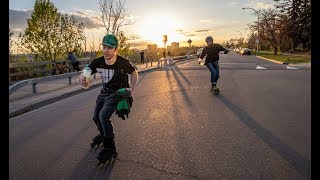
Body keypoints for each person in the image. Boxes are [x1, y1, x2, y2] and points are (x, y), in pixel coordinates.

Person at [79, 34, 138, 162]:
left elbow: (134, 73)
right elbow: (86, 72)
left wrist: (132, 90)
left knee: (103, 116)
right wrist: (82, 79)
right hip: (104, 92)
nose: (106, 50)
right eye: (104, 47)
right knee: (96, 117)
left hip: (118, 93)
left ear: (116, 49)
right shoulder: (98, 61)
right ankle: (103, 134)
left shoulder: (123, 62)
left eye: (109, 48)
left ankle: (110, 147)